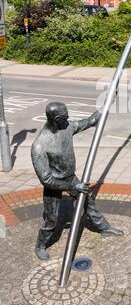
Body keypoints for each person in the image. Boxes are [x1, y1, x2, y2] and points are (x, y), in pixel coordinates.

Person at [31, 101, 123, 261]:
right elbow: (46, 180)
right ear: (58, 118)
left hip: (71, 178)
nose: (69, 119)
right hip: (54, 186)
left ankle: (104, 228)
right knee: (51, 221)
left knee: (88, 202)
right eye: (66, 116)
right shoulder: (39, 145)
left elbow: (90, 121)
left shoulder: (66, 127)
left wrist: (108, 102)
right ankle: (40, 245)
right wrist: (74, 186)